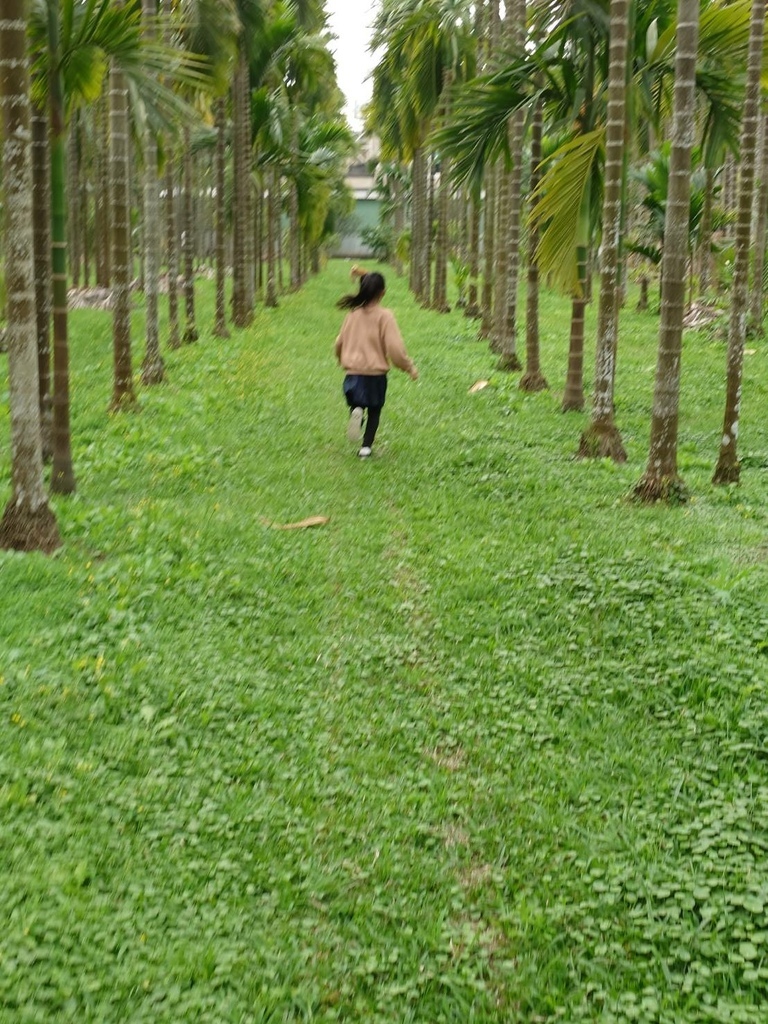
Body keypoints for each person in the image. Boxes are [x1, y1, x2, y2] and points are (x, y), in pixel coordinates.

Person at [334, 270, 418, 458]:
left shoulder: (352, 315)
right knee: (374, 410)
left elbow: (339, 342)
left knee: (357, 402)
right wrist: (409, 367)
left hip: (353, 374)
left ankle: (356, 411)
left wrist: (341, 359)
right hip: (375, 375)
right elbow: (395, 349)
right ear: (382, 293)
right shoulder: (385, 316)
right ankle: (366, 447)